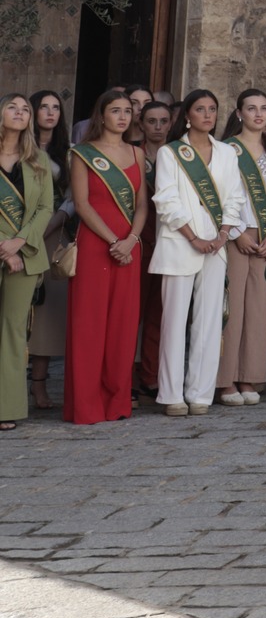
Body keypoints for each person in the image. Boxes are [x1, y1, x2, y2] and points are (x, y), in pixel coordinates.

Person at [150, 90, 248, 416]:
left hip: (216, 246)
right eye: (200, 109)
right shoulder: (170, 153)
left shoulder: (226, 153)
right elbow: (166, 200)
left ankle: (201, 393)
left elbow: (235, 198)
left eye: (212, 109)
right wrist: (193, 236)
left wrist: (222, 234)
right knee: (175, 321)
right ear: (187, 116)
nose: (207, 115)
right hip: (180, 242)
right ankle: (171, 394)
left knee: (208, 321)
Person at [66, 89, 147, 424]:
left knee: (122, 327)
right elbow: (82, 205)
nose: (123, 117)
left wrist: (130, 240)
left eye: (128, 111)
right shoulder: (82, 153)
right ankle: (86, 405)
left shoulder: (137, 153)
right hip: (96, 245)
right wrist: (115, 240)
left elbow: (142, 205)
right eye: (116, 110)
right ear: (101, 115)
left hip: (129, 248)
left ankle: (117, 403)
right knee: (90, 324)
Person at [220, 88, 266, 405]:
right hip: (236, 236)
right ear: (239, 113)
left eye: (264, 108)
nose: (258, 114)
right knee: (231, 309)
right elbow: (217, 197)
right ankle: (225, 380)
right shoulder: (225, 151)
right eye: (251, 108)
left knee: (258, 310)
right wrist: (236, 232)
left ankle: (250, 377)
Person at [0, 93, 56, 431]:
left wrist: (19, 245)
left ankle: (6, 407)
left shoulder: (39, 161)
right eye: (12, 107)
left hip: (25, 255)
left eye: (25, 109)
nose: (19, 113)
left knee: (12, 332)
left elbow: (45, 209)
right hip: (5, 249)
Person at [26, 90, 71, 412]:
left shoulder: (66, 153)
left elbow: (72, 197)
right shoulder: (17, 150)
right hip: (16, 235)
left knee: (44, 315)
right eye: (44, 107)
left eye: (56, 107)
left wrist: (55, 221)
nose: (51, 113)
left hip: (54, 237)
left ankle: (39, 387)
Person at [132, 96, 172, 392]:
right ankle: (126, 375)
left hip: (171, 241)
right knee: (133, 313)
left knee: (160, 312)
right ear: (141, 124)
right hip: (139, 241)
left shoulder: (180, 155)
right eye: (151, 121)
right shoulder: (132, 155)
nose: (157, 127)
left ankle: (151, 375)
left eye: (163, 121)